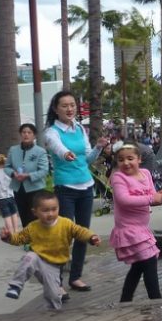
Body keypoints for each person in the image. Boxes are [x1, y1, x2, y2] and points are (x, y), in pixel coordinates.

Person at [43, 91, 108, 292]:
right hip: (65, 188)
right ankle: (56, 282)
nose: (70, 109)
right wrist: (65, 153)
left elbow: (87, 159)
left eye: (72, 105)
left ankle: (76, 277)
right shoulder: (51, 132)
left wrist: (98, 148)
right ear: (56, 109)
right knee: (64, 235)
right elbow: (57, 148)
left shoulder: (80, 128)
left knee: (82, 233)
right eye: (64, 105)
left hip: (86, 186)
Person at [1, 191, 100, 309]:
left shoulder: (65, 223)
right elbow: (19, 239)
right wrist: (8, 237)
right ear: (35, 212)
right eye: (45, 210)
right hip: (38, 261)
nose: (50, 213)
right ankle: (15, 286)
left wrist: (91, 237)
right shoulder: (32, 227)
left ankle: (53, 313)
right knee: (30, 256)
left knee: (53, 296)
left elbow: (79, 231)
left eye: (54, 209)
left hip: (54, 267)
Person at [109, 142, 162, 302]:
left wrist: (160, 195)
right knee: (149, 261)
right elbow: (124, 200)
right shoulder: (118, 177)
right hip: (129, 229)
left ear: (139, 159)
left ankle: (125, 300)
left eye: (130, 158)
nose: (126, 163)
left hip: (142, 228)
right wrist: (152, 198)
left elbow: (151, 194)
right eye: (121, 160)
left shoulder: (145, 174)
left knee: (138, 266)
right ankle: (156, 300)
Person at [5, 123, 51, 228]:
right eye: (24, 132)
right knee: (23, 215)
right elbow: (7, 167)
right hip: (18, 188)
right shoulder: (13, 150)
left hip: (35, 189)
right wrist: (13, 173)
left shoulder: (40, 151)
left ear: (34, 136)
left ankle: (37, 239)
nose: (26, 135)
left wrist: (28, 175)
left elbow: (44, 170)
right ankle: (27, 239)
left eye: (29, 132)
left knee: (35, 215)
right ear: (20, 134)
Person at [0, 153, 20, 235]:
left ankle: (11, 232)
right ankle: (16, 230)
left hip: (1, 198)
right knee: (14, 213)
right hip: (11, 196)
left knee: (7, 215)